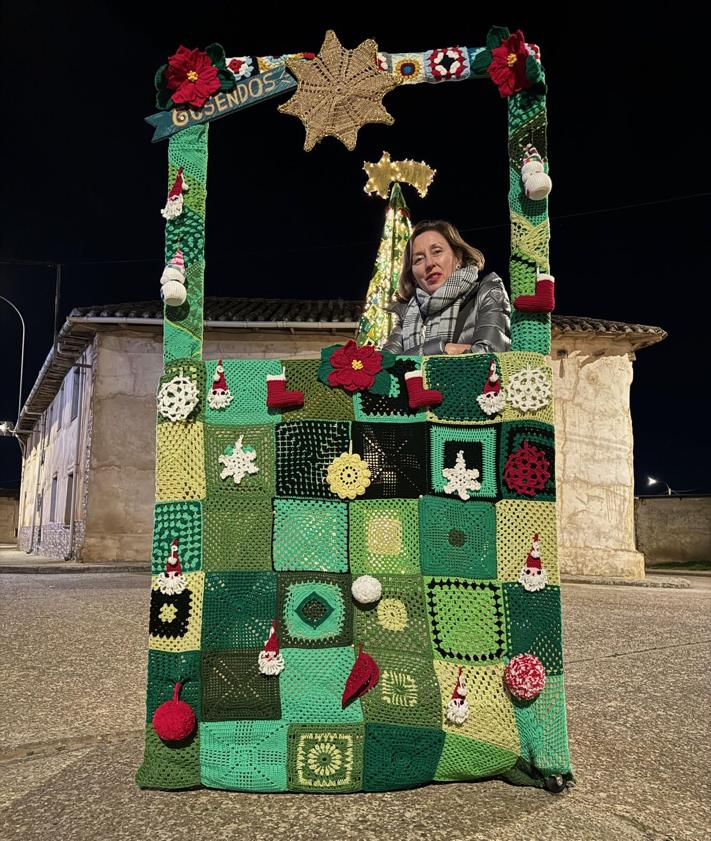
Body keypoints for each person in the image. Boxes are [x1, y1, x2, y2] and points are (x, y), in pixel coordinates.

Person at [382, 220, 511, 356]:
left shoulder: (487, 293)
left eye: (437, 252)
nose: (429, 264)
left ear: (458, 258)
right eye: (418, 259)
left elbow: (491, 357)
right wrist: (445, 348)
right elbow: (385, 366)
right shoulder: (405, 313)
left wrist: (430, 351)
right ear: (413, 275)